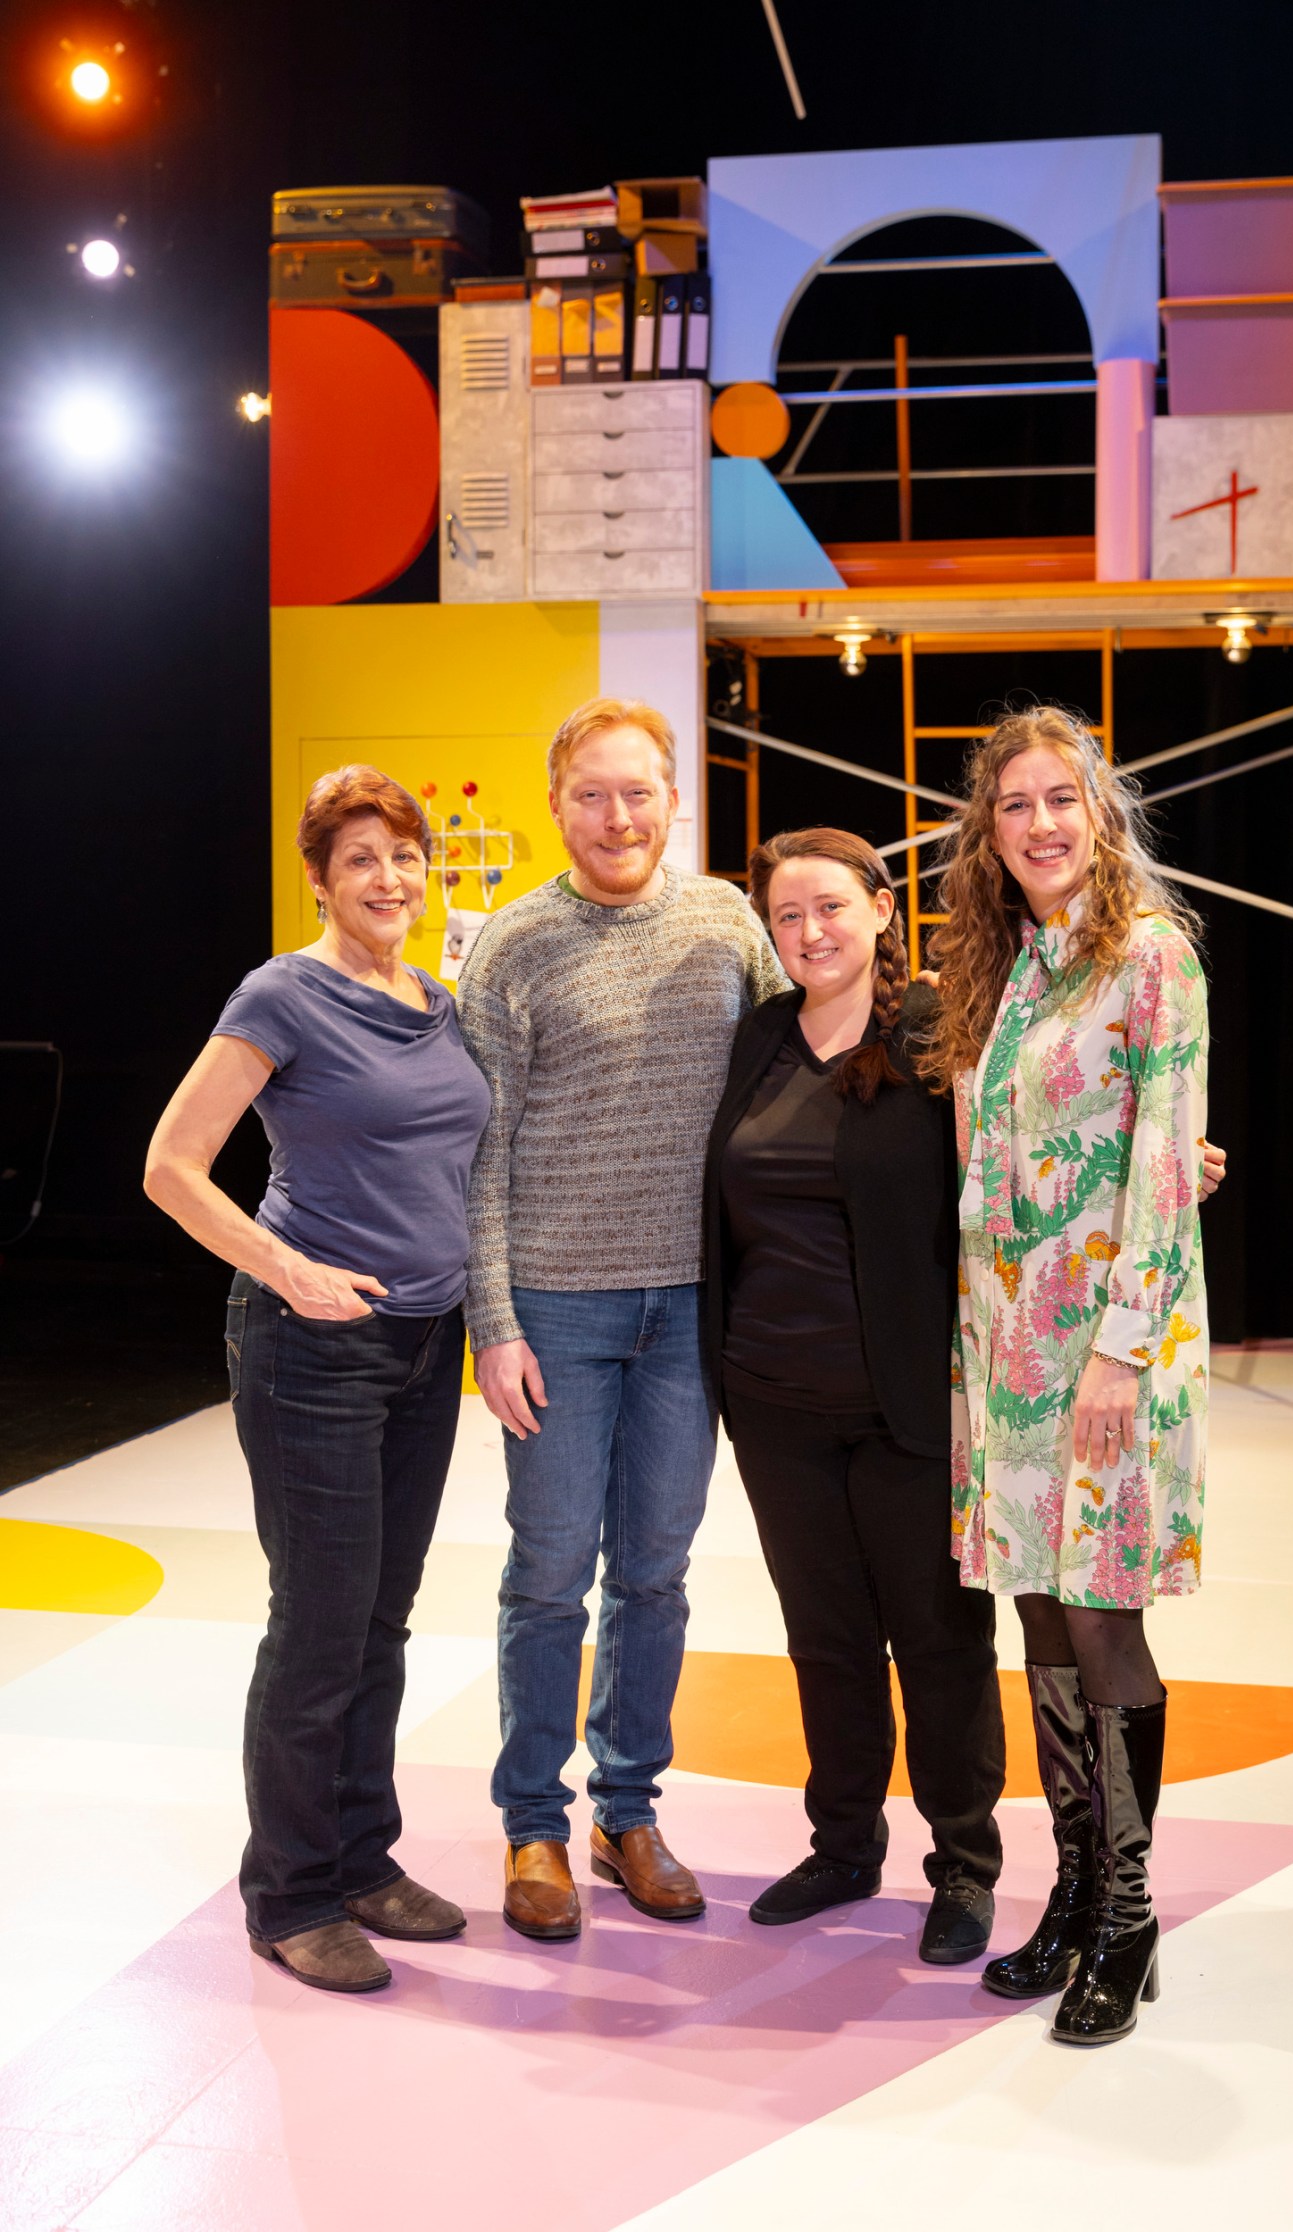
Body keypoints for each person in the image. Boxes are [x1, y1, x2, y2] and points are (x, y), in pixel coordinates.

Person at [144, 767, 491, 1995]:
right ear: (320, 878)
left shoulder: (440, 1004)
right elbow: (173, 1166)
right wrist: (288, 1269)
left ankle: (359, 1857)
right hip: (311, 1348)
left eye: (404, 856)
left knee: (382, 1621)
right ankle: (289, 1894)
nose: (389, 879)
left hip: (422, 1343)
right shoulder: (282, 994)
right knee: (320, 1622)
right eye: (361, 860)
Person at [456, 697, 785, 1942]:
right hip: (555, 1307)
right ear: (554, 804)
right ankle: (532, 1824)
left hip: (690, 1314)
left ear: (674, 799)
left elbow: (806, 1051)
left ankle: (627, 1810)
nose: (618, 816)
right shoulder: (513, 948)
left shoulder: (727, 922)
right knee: (549, 1576)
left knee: (655, 1574)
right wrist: (495, 1321)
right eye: (592, 793)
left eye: (638, 791)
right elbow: (480, 1159)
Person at [920, 705, 1210, 2045]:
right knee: (1036, 1613)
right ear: (989, 830)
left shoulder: (1150, 958)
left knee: (1102, 1616)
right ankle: (1078, 1888)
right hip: (1003, 1352)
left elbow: (1161, 1160)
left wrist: (1118, 1347)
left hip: (1104, 1352)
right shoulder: (1008, 973)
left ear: (1100, 815)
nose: (1039, 823)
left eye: (1061, 799)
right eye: (1015, 803)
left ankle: (1134, 1912)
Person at [702, 830, 1006, 1966]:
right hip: (773, 1405)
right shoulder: (758, 1041)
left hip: (905, 1407)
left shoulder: (937, 1033)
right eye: (788, 918)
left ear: (883, 910)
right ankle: (843, 1846)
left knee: (937, 1641)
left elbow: (1020, 1154)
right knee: (825, 1641)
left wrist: (1170, 1160)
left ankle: (964, 1865)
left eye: (832, 908)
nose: (812, 933)